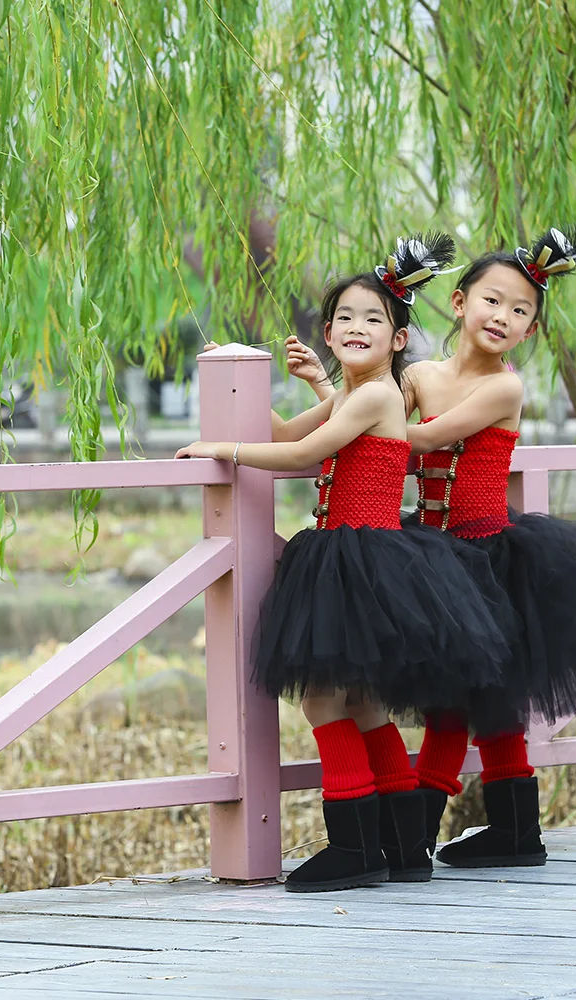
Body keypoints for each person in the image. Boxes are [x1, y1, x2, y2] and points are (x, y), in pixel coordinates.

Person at [289, 227, 576, 869]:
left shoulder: (505, 388)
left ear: (531, 329)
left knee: (481, 701)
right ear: (459, 303)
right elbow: (369, 415)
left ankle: (455, 833)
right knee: (458, 701)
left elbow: (413, 438)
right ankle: (473, 835)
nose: (503, 316)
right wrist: (324, 388)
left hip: (488, 556)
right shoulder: (419, 374)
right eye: (492, 301)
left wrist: (358, 415)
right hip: (433, 555)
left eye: (520, 310)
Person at [177, 234, 513, 891]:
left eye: (374, 319)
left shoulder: (376, 396)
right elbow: (284, 432)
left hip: (363, 555)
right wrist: (231, 379)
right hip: (355, 555)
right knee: (361, 702)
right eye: (345, 318)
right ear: (327, 333)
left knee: (323, 700)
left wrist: (223, 450)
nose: (358, 327)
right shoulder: (355, 393)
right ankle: (404, 848)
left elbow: (305, 454)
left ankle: (356, 846)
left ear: (398, 339)